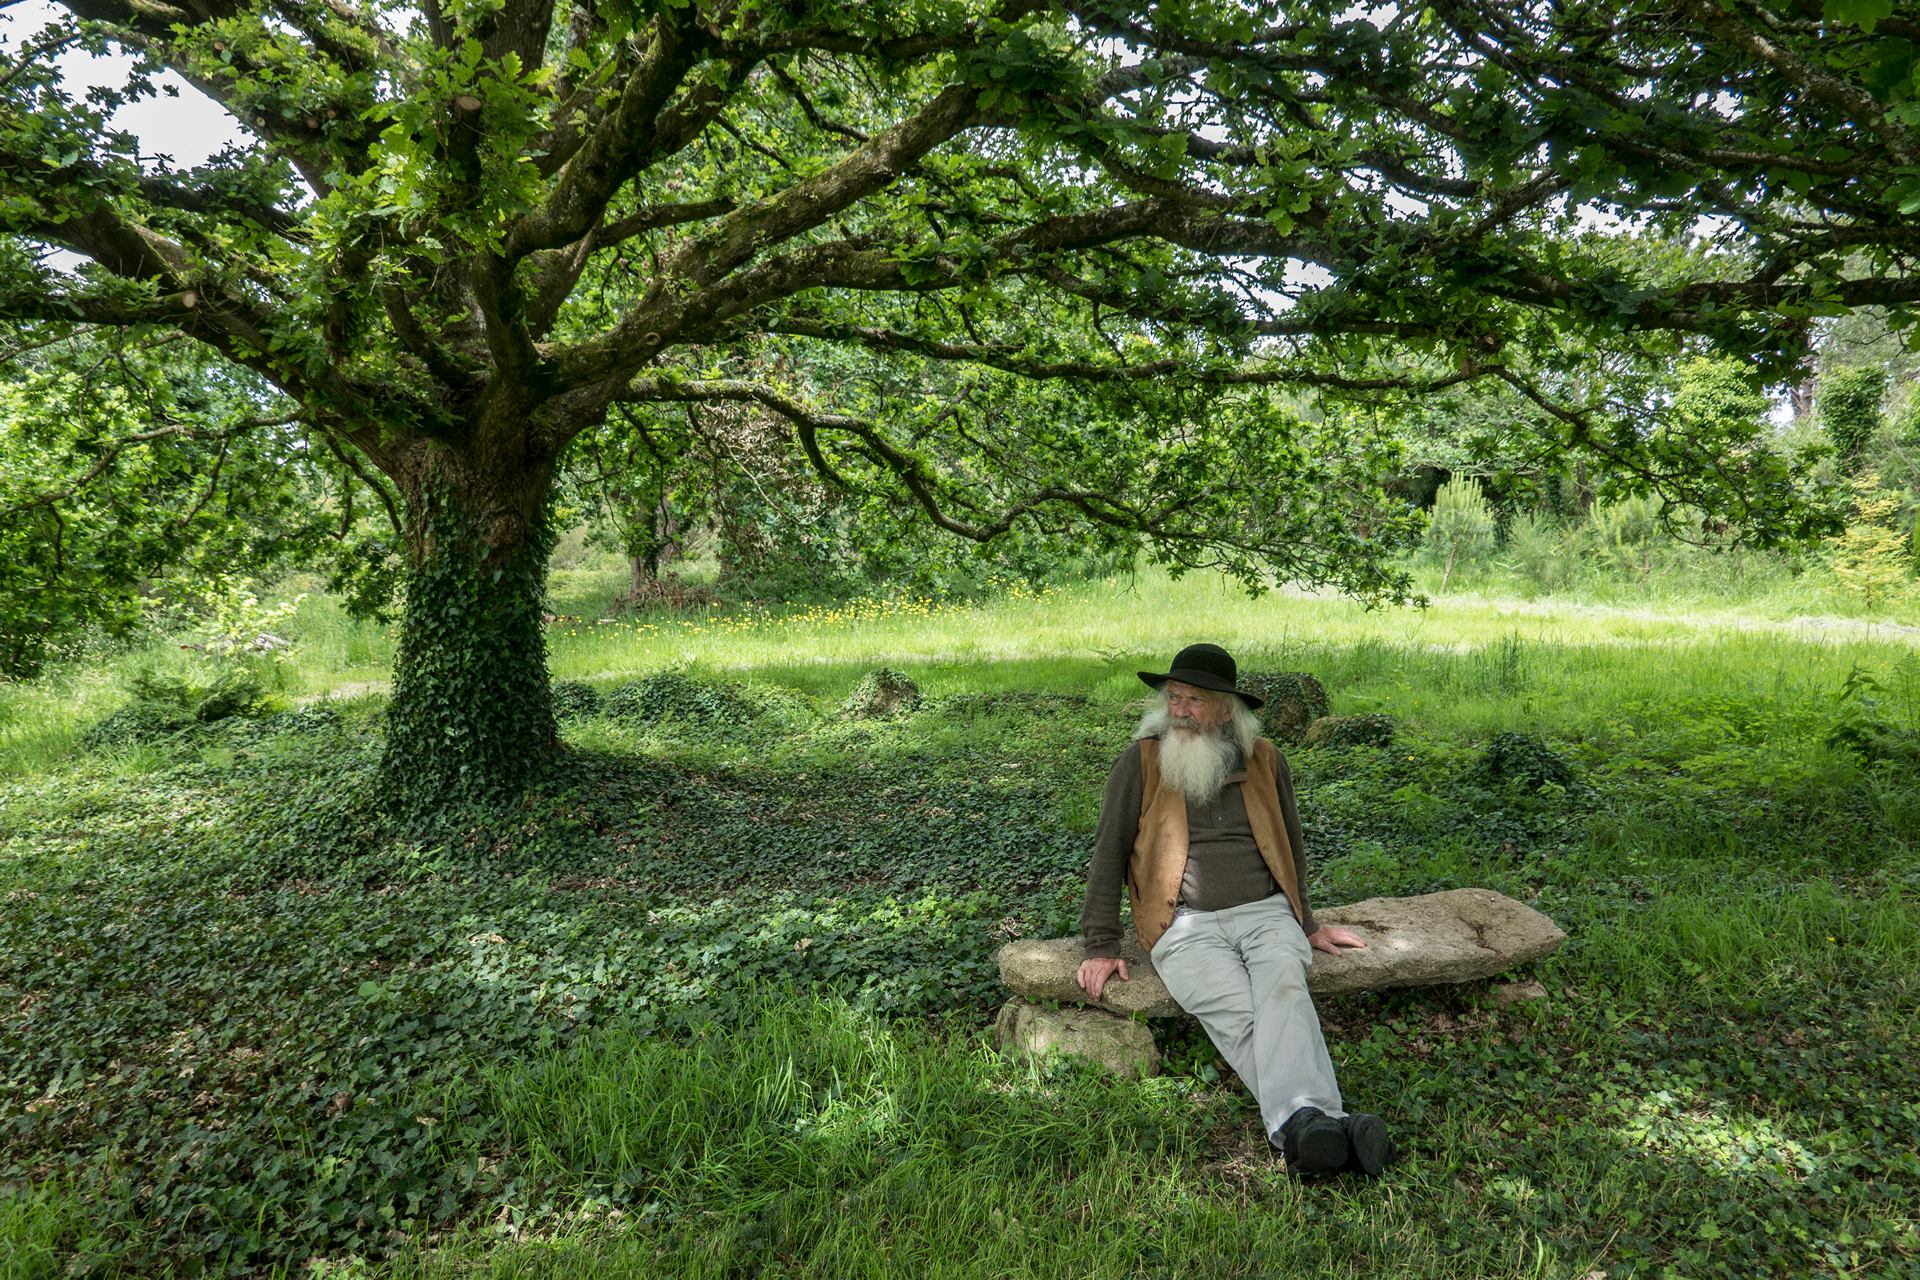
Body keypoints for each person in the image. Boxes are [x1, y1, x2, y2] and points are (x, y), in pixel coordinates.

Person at [1076, 642, 1395, 1178]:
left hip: (1267, 912)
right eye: (1174, 697)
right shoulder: (1143, 761)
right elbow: (1109, 849)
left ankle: (1304, 1133)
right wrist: (1100, 944)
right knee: (1242, 1013)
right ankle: (1328, 1123)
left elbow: (1290, 844)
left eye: (1195, 701)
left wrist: (1306, 923)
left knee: (1284, 990)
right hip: (1183, 926)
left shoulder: (1265, 758)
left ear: (1227, 708)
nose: (1179, 710)